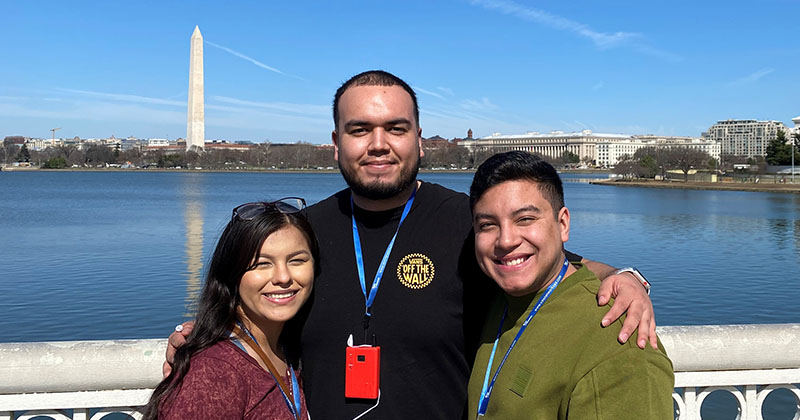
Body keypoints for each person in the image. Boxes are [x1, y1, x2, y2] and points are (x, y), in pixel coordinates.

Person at [167, 70, 657, 419]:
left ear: (419, 141)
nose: (378, 143)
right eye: (360, 130)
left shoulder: (469, 222)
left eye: (395, 129)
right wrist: (210, 339)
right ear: (336, 143)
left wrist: (626, 277)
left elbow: (545, 260)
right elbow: (262, 297)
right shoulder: (305, 232)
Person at [467, 151, 674, 419]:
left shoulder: (618, 342)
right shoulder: (499, 301)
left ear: (563, 224)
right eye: (488, 225)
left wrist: (629, 276)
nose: (506, 240)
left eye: (525, 219)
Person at [145, 198, 315, 419]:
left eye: (297, 260)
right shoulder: (214, 372)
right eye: (261, 264)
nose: (283, 277)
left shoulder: (285, 348)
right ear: (232, 273)